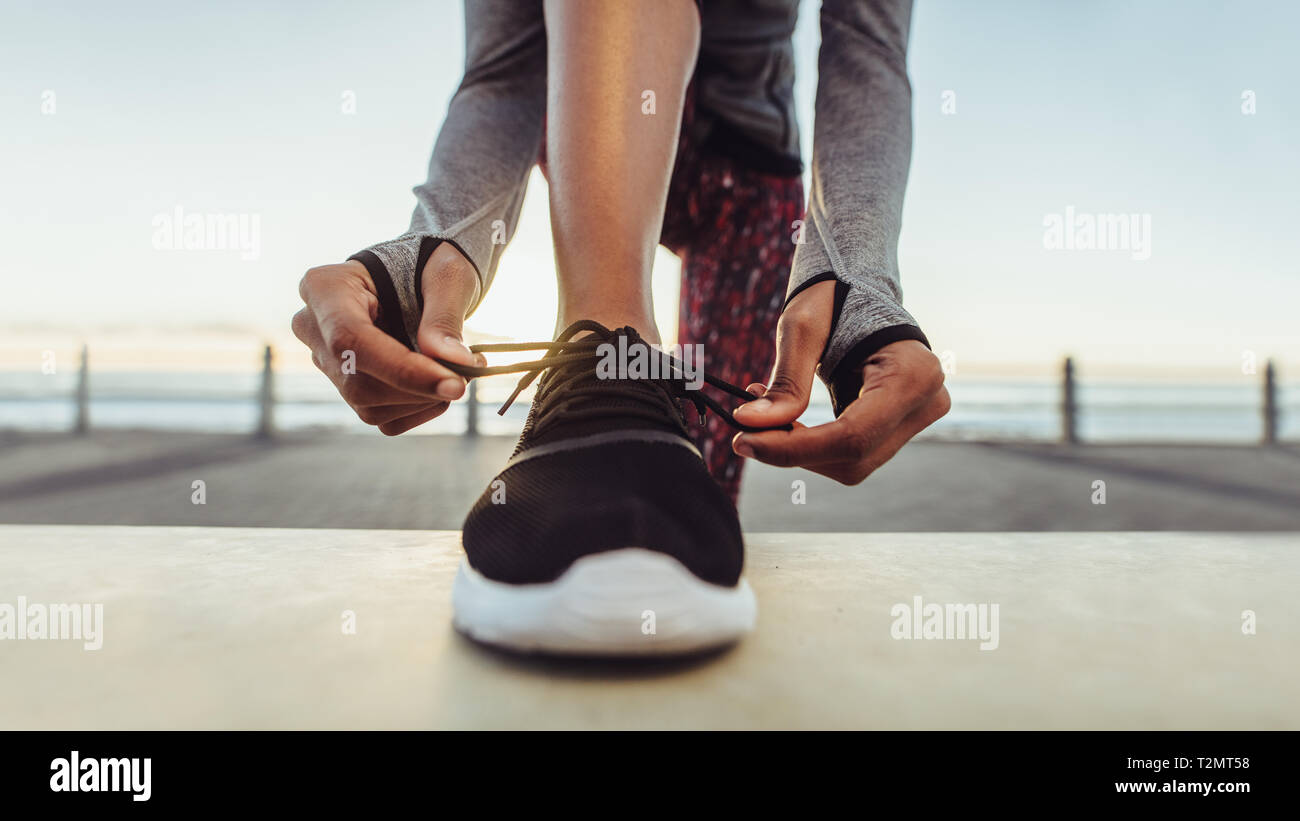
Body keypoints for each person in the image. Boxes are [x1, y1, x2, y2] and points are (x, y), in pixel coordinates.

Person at [292, 0, 949, 655]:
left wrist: (857, 273)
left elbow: (869, 44)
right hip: (597, 99)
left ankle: (652, 500)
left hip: (749, 172)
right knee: (619, 448)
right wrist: (437, 237)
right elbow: (504, 67)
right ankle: (605, 348)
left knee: (702, 471)